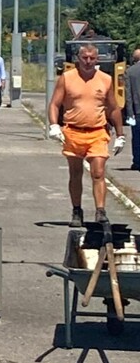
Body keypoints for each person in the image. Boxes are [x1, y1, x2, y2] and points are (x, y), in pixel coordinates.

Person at [48, 43, 127, 227]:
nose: (88, 62)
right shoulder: (67, 78)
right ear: (78, 58)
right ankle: (77, 210)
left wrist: (121, 135)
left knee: (98, 172)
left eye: (92, 58)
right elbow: (54, 104)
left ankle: (100, 211)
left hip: (97, 131)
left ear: (97, 59)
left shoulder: (105, 79)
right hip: (73, 131)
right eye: (85, 58)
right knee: (75, 173)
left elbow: (114, 108)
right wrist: (53, 125)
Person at [126, 49, 140, 170]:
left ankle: (137, 162)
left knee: (136, 137)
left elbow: (128, 95)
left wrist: (130, 114)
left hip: (137, 111)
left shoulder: (130, 72)